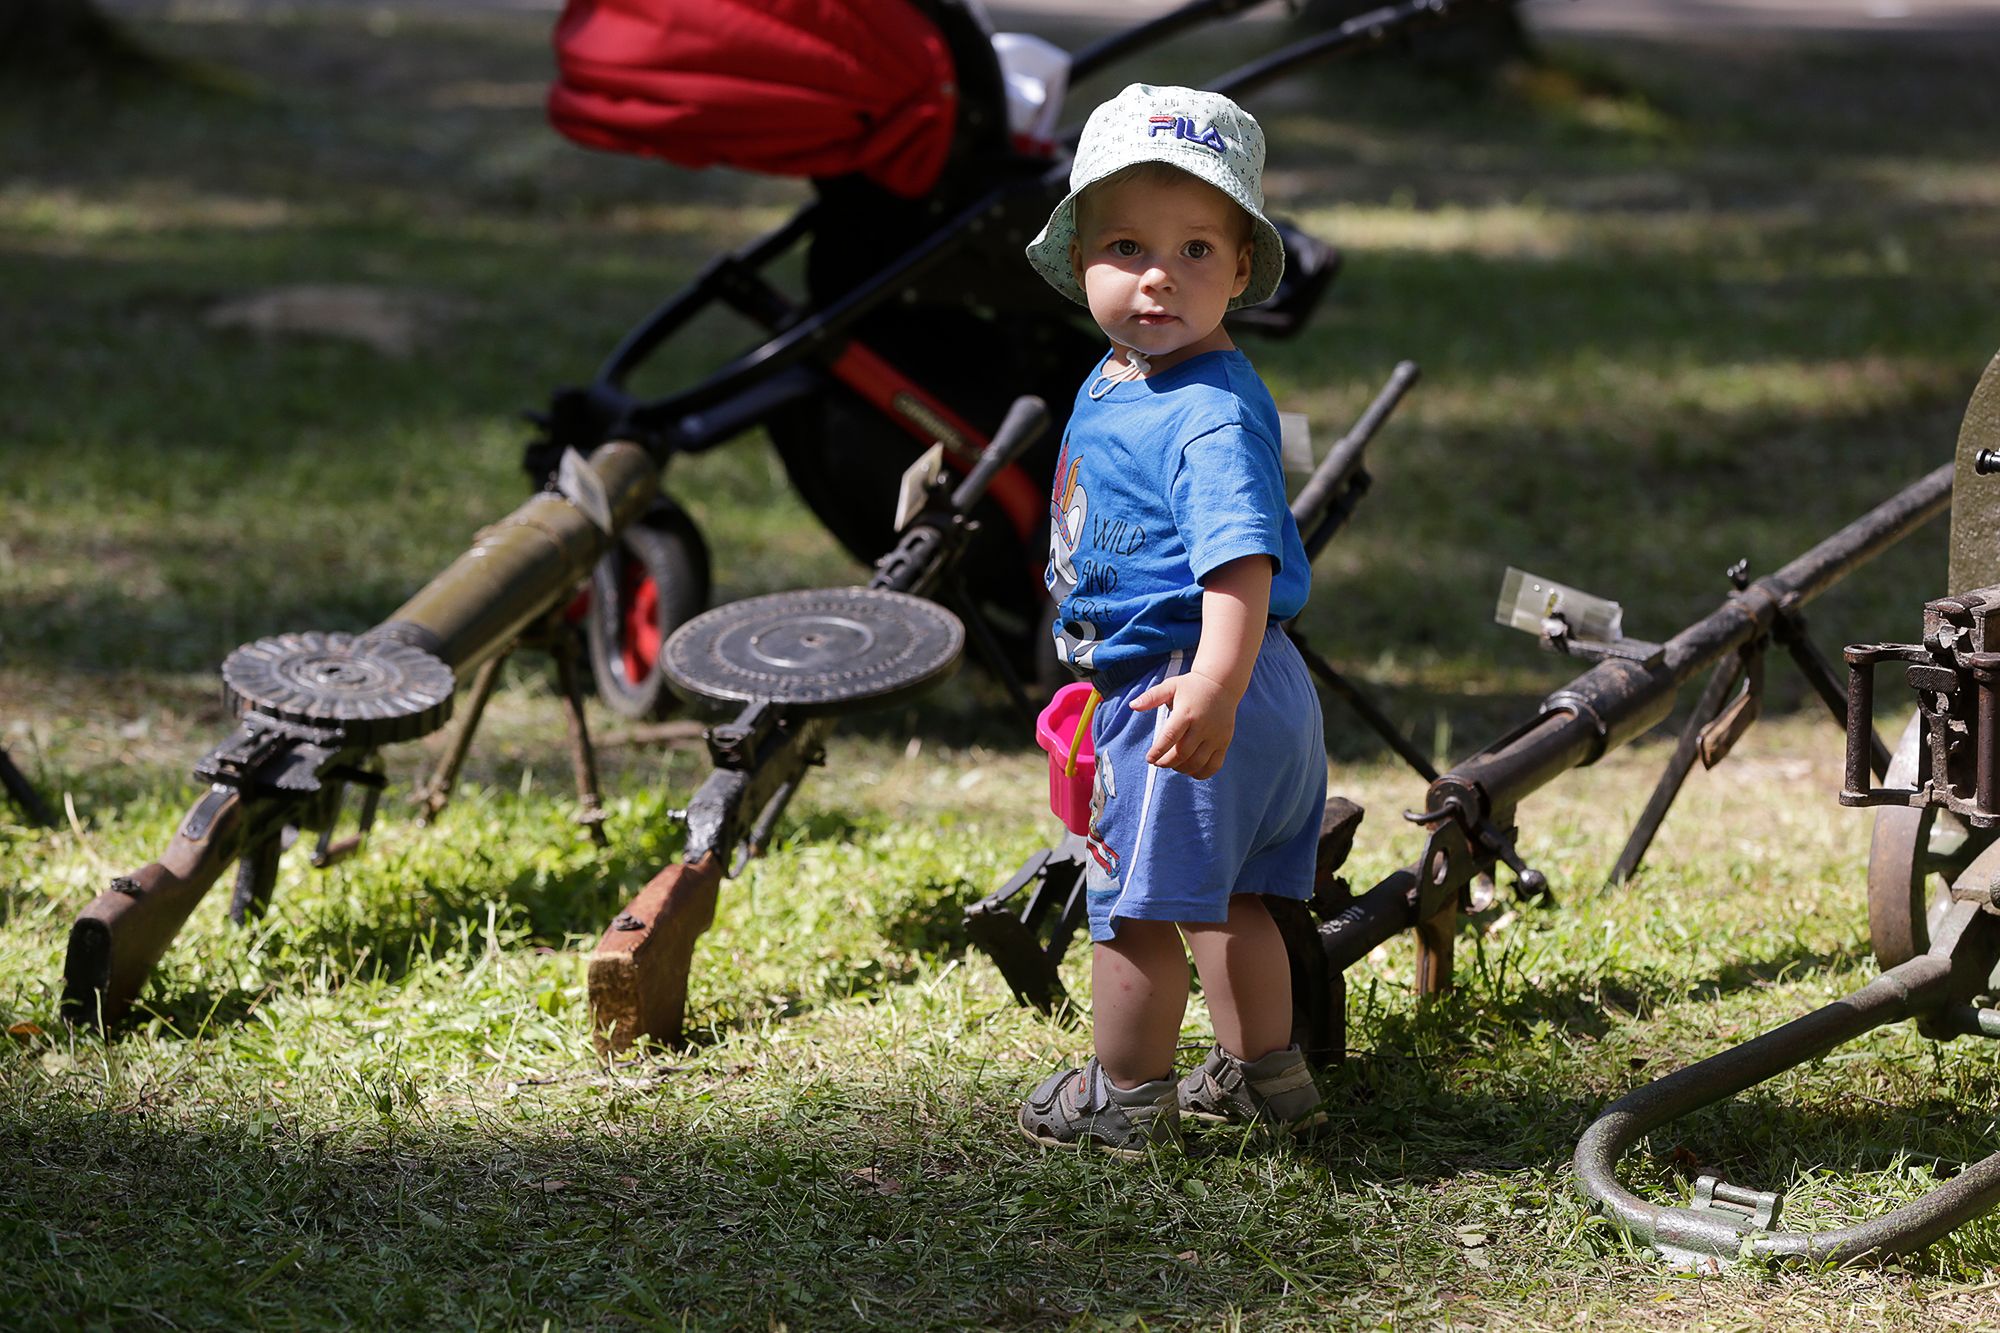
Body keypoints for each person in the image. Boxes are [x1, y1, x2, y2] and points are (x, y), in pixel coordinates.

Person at [1016, 83, 1329, 1156]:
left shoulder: (1206, 415)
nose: (1158, 274)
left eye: (1195, 249)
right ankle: (1265, 1077)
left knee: (1131, 908)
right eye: (1127, 246)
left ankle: (1125, 1095)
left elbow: (1239, 561)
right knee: (1230, 899)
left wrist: (1212, 687)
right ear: (1080, 263)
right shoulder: (1128, 370)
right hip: (1242, 681)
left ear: (1240, 269)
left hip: (1191, 680)